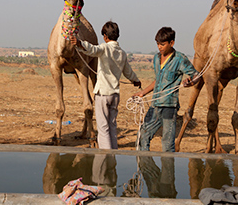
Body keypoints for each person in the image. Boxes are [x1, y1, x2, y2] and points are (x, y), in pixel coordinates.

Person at [71, 21, 141, 149]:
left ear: (105, 36)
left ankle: (106, 157)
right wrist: (135, 81)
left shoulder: (104, 48)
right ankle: (113, 154)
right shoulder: (122, 53)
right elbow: (128, 72)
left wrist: (79, 43)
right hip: (115, 96)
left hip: (103, 94)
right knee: (112, 126)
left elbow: (92, 49)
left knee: (103, 129)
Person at [132, 26, 198, 152]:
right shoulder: (156, 58)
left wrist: (191, 81)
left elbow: (196, 75)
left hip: (169, 107)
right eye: (157, 44)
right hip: (155, 105)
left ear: (171, 43)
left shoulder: (180, 59)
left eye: (162, 44)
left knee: (167, 144)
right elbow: (157, 80)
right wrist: (142, 93)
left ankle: (167, 172)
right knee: (142, 137)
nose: (159, 47)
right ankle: (148, 171)